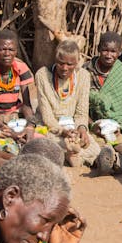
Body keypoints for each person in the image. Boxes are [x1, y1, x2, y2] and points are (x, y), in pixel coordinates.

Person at [35, 40, 101, 168]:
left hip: (73, 127)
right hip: (51, 127)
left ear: (77, 63)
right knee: (51, 143)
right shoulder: (42, 75)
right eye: (61, 63)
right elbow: (47, 116)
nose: (65, 68)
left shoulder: (83, 76)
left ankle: (73, 156)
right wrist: (63, 131)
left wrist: (82, 130)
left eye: (70, 64)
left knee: (93, 147)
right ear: (55, 59)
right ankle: (74, 156)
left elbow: (81, 112)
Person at [85, 32, 122, 174]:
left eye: (113, 51)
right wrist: (93, 124)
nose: (108, 55)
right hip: (89, 119)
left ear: (119, 52)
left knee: (117, 136)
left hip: (115, 121)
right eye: (105, 50)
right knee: (92, 140)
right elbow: (79, 102)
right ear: (98, 49)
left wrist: (117, 125)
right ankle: (113, 161)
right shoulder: (86, 71)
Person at [0, 29, 35, 140]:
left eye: (11, 49)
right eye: (2, 49)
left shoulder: (21, 68)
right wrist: (3, 128)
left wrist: (30, 126)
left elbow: (26, 104)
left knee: (35, 137)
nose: (7, 54)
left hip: (15, 115)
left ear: (16, 51)